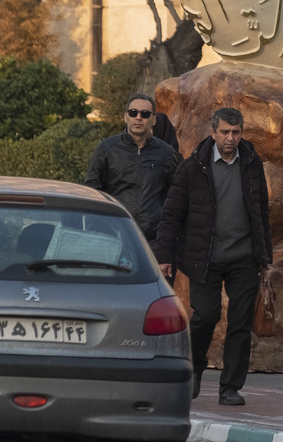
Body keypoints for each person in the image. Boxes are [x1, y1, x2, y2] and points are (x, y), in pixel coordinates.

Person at [153, 107, 272, 406]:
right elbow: (172, 213)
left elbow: (261, 209)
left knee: (240, 321)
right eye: (225, 132)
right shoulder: (194, 166)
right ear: (213, 132)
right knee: (205, 316)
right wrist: (164, 254)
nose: (231, 138)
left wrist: (264, 257)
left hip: (243, 256)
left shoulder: (251, 161)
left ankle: (230, 386)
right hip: (204, 257)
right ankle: (193, 369)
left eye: (236, 132)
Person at [84, 93, 179, 239]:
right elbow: (92, 192)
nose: (138, 117)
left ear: (153, 120)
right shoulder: (107, 149)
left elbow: (174, 197)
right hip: (113, 235)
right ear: (125, 117)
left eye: (145, 114)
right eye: (133, 112)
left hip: (153, 239)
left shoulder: (166, 153)